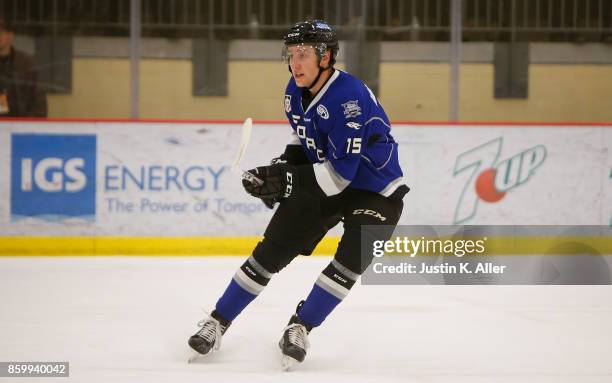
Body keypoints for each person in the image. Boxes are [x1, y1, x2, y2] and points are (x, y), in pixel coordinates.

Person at [188, 20, 409, 370]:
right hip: (328, 177)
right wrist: (278, 170)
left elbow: (340, 177)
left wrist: (286, 179)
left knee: (351, 261)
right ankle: (217, 321)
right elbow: (304, 138)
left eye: (303, 54)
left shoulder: (348, 99)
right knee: (269, 252)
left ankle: (300, 327)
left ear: (326, 57)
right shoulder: (294, 89)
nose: (295, 63)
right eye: (291, 54)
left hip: (375, 190)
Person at [0, 18, 47, 118]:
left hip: (22, 126)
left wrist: (26, 125)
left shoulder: (27, 63)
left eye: (1, 32)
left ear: (10, 35)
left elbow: (39, 102)